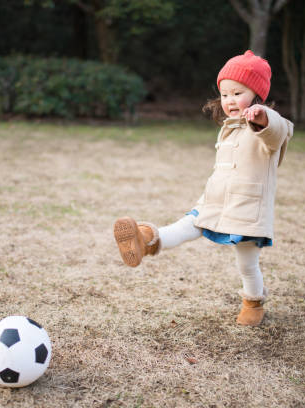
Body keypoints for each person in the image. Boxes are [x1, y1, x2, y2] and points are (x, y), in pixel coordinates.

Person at [113, 50, 293, 327]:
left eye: (238, 93)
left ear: (257, 95)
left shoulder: (267, 126)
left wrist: (263, 117)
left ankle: (253, 300)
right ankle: (144, 239)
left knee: (246, 263)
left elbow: (278, 131)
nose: (230, 100)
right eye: (225, 94)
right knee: (185, 227)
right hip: (214, 201)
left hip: (246, 210)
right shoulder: (230, 128)